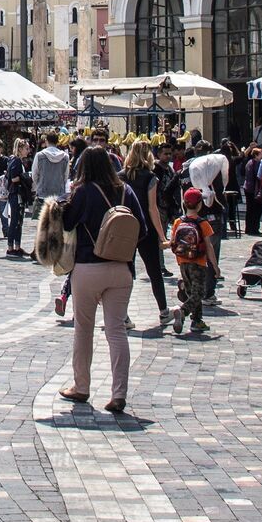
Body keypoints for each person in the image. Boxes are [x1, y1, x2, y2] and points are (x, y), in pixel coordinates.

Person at [58, 145, 142, 415]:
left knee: (84, 328)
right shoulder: (125, 191)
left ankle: (81, 386)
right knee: (116, 331)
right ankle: (119, 393)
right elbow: (141, 228)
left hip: (88, 266)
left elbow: (68, 223)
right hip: (121, 268)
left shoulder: (83, 191)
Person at [121, 141, 170, 330]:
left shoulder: (121, 177)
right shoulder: (150, 177)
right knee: (154, 270)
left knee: (126, 272)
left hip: (125, 226)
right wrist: (162, 235)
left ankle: (123, 314)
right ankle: (164, 311)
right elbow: (152, 208)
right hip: (146, 229)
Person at [168, 187, 217, 337]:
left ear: (184, 203)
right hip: (199, 262)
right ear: (200, 205)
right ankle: (182, 312)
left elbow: (172, 242)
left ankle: (197, 321)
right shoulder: (203, 223)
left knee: (191, 291)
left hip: (183, 261)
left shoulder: (178, 222)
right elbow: (209, 247)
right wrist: (215, 266)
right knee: (199, 292)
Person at [4, 138, 34, 256]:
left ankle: (17, 246)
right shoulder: (16, 161)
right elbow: (13, 178)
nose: (28, 150)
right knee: (15, 221)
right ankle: (11, 247)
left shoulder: (18, 161)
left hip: (18, 194)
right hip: (16, 194)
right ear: (20, 149)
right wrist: (25, 176)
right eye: (26, 148)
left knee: (19, 222)